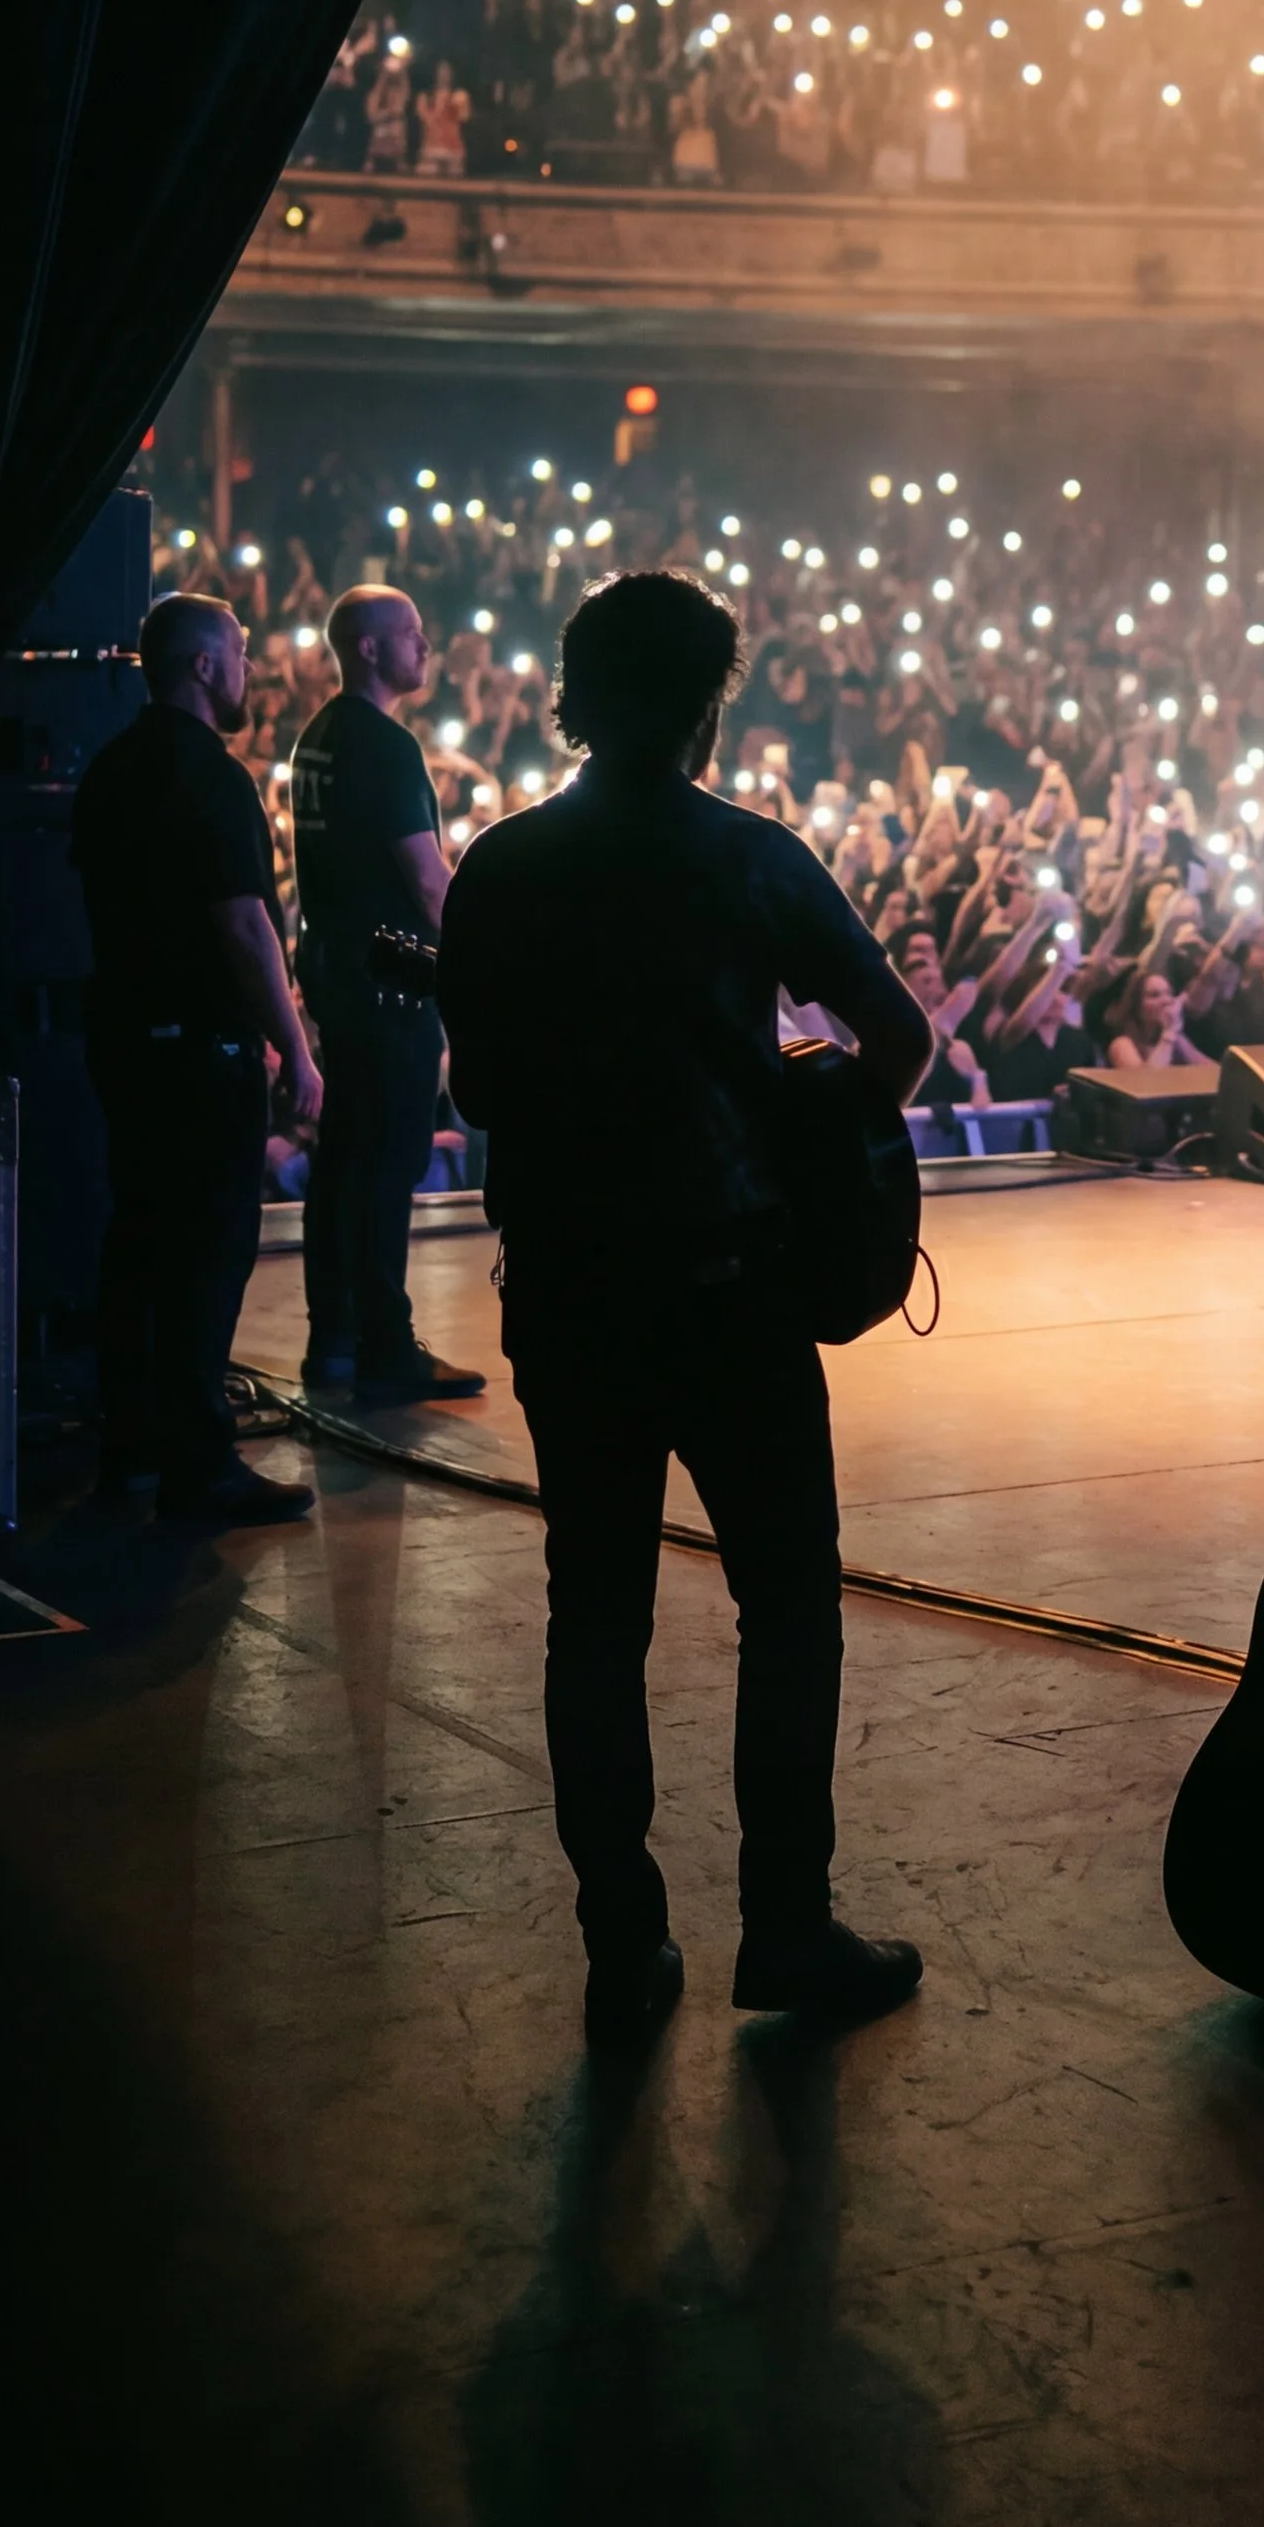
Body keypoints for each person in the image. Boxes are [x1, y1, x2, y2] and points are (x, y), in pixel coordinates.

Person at [436, 570, 934, 2048]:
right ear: (711, 705)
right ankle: (784, 1922)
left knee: (592, 1617)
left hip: (573, 1297)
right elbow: (896, 1040)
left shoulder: (500, 870)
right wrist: (804, 1109)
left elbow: (476, 1091)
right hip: (734, 1292)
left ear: (573, 701)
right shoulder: (753, 858)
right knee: (788, 1608)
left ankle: (621, 1938)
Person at [71, 595, 319, 1528]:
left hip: (124, 1039)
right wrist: (294, 1045)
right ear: (205, 668)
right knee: (208, 1254)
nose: (252, 672)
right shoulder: (211, 778)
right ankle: (199, 1463)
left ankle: (130, 1444)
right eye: (242, 656)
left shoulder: (113, 767)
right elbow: (244, 921)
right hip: (199, 1052)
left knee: (137, 1240)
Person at [287, 589, 484, 1401]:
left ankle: (331, 1336)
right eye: (410, 632)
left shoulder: (316, 739)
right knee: (385, 1161)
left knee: (342, 1157)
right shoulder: (388, 745)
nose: (426, 644)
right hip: (391, 979)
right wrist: (484, 956)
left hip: (336, 967)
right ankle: (385, 1342)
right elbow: (427, 878)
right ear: (368, 648)